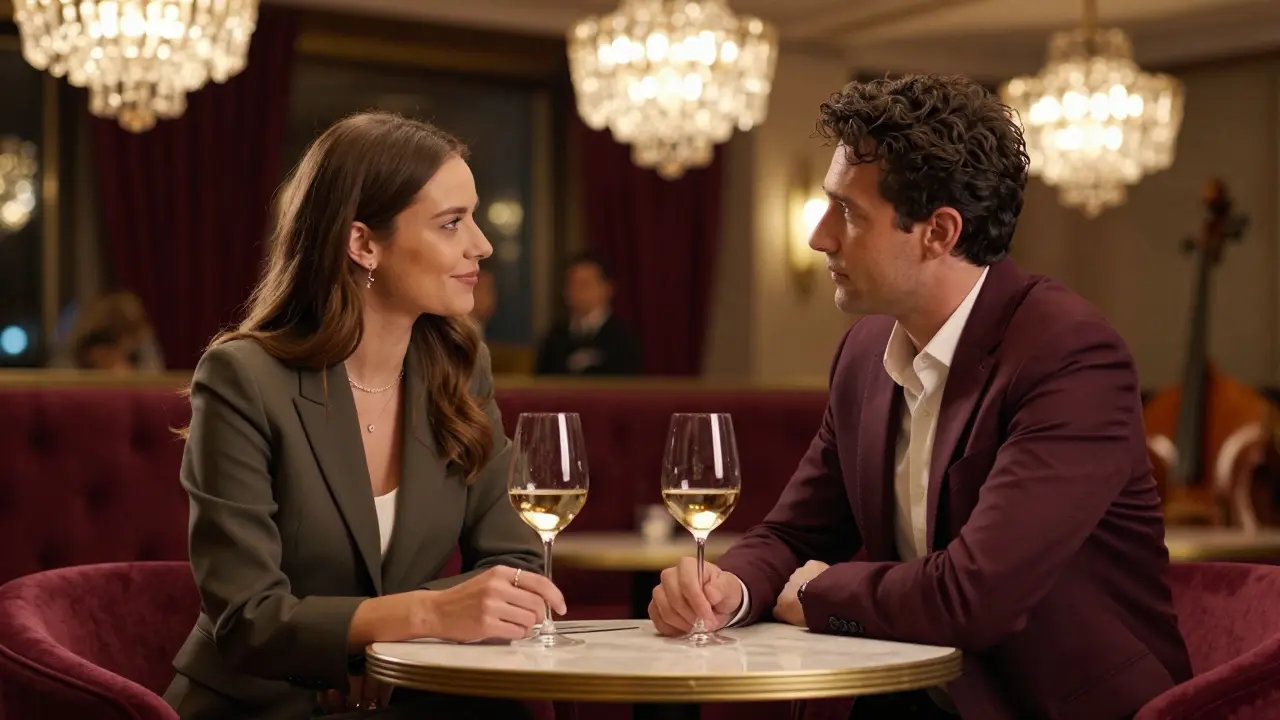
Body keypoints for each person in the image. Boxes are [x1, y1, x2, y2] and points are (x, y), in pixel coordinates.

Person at [647, 75, 1192, 719]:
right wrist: (727, 586)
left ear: (938, 231)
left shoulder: (1070, 355)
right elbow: (795, 528)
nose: (819, 236)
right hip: (913, 701)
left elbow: (975, 595)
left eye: (848, 212)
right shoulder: (862, 353)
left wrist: (822, 591)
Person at [164, 112, 565, 719]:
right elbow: (247, 617)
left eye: (474, 217)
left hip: (409, 699)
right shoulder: (241, 377)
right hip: (261, 707)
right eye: (451, 223)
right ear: (363, 244)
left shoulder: (460, 365)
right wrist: (424, 616)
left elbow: (517, 561)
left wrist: (387, 648)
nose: (481, 244)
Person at [534, 251, 643, 375]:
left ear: (607, 289)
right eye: (571, 284)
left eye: (584, 284)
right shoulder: (555, 337)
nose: (576, 291)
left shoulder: (622, 338)